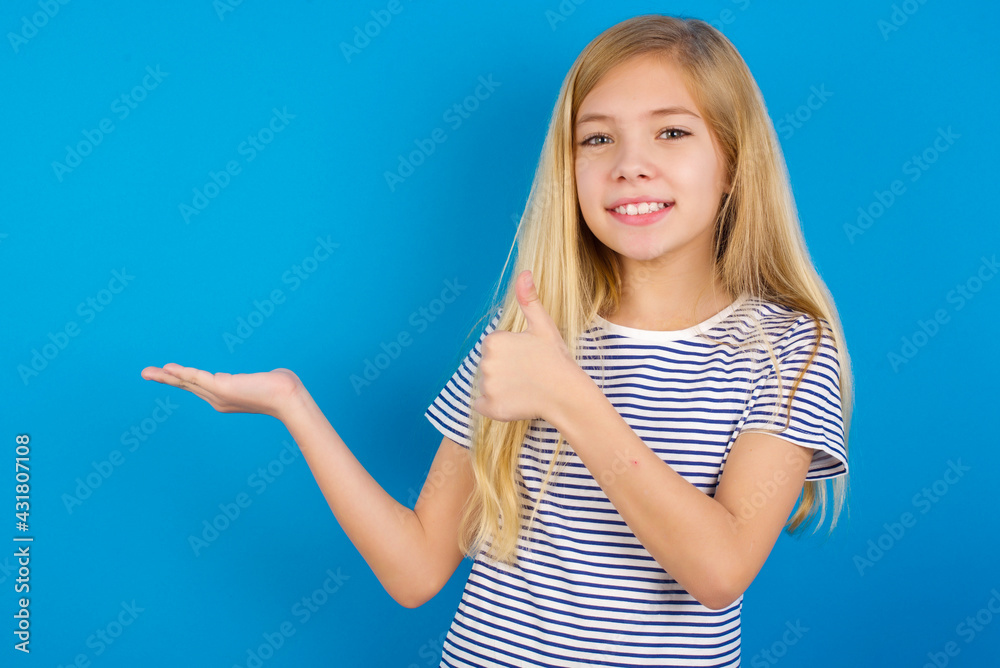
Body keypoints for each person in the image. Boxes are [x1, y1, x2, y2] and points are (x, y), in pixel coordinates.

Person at [141, 13, 852, 667]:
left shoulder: (789, 350)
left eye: (672, 131)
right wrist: (293, 406)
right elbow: (417, 569)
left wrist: (569, 396)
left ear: (733, 162)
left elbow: (718, 571)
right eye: (597, 137)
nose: (629, 164)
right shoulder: (521, 339)